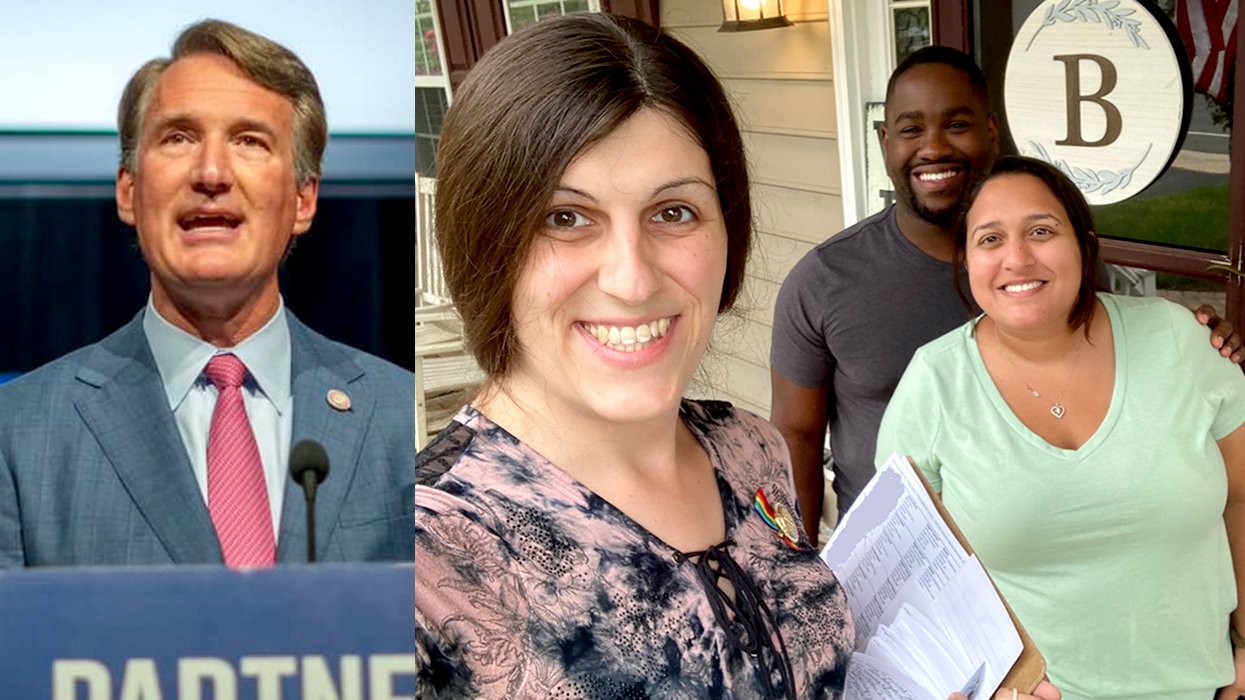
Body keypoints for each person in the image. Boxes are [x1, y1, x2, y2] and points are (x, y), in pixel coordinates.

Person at [415, 14, 1059, 700]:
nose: (631, 279)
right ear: (484, 240)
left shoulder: (747, 450)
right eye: (563, 218)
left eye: (673, 212)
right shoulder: (419, 563)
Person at [770, 46, 1241, 542]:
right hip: (899, 561)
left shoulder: (1054, 272)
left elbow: (1123, 360)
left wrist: (1202, 346)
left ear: (990, 131)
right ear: (885, 141)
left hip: (1046, 541)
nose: (933, 147)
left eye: (956, 124)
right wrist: (797, 571)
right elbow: (795, 435)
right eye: (911, 130)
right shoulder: (825, 280)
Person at [0, 20, 414, 567]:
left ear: (303, 199)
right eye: (179, 137)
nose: (212, 172)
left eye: (249, 141)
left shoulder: (402, 419)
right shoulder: (17, 432)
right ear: (128, 191)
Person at [875, 155, 1245, 700]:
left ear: (1083, 243)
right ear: (966, 259)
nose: (1017, 259)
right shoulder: (933, 387)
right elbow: (902, 584)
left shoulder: (1182, 342)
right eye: (990, 239)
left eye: (1041, 231)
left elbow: (1241, 499)